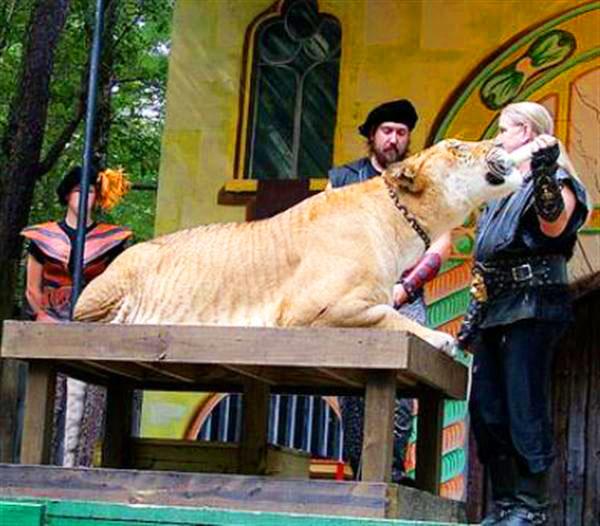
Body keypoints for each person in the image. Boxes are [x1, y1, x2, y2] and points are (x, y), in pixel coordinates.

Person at [456, 102, 589, 525]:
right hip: (494, 305)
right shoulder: (504, 186)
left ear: (528, 133)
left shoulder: (558, 179)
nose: (498, 138)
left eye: (505, 130)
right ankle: (507, 502)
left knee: (522, 403)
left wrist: (546, 174)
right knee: (486, 409)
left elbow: (554, 224)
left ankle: (530, 507)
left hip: (532, 303)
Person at [327, 99, 453, 483]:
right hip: (352, 295)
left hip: (405, 295)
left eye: (401, 132)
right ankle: (357, 472)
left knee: (402, 384)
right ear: (371, 136)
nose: (394, 138)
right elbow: (323, 232)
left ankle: (391, 473)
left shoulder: (424, 182)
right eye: (387, 131)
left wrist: (404, 288)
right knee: (351, 389)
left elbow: (441, 240)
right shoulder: (343, 178)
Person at [22, 165, 132, 466]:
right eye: (78, 191)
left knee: (88, 405)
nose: (85, 197)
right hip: (52, 323)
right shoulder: (43, 237)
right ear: (67, 194)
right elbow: (33, 288)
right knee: (50, 401)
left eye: (92, 192)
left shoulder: (113, 240)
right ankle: (40, 468)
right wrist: (42, 315)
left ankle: (81, 468)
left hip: (92, 326)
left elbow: (116, 286)